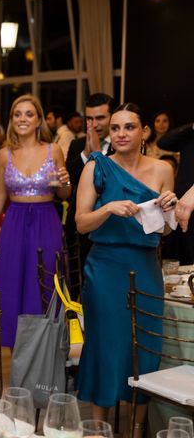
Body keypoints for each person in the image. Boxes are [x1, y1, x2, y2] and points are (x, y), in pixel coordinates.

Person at [75, 103, 176, 435]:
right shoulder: (96, 167)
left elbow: (165, 229)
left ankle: (136, 429)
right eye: (115, 128)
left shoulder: (163, 169)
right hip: (104, 267)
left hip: (146, 266)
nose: (121, 134)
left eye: (129, 127)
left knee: (144, 347)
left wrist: (169, 210)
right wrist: (108, 209)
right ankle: (99, 428)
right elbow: (81, 223)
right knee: (106, 345)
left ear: (144, 132)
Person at [0, 94, 71, 348]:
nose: (22, 119)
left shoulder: (54, 150)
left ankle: (47, 348)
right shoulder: (5, 154)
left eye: (29, 114)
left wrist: (64, 182)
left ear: (39, 119)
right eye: (17, 114)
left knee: (46, 283)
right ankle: (19, 354)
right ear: (11, 120)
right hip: (14, 224)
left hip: (46, 222)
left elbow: (64, 195)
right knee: (12, 285)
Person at [65, 93, 116, 268]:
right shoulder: (77, 144)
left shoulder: (123, 144)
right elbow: (70, 179)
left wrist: (98, 155)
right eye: (89, 118)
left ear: (112, 116)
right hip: (81, 227)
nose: (94, 124)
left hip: (114, 224)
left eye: (100, 118)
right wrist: (86, 154)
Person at [157, 121, 194, 264]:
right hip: (183, 202)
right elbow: (163, 142)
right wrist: (191, 127)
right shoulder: (189, 135)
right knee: (183, 253)